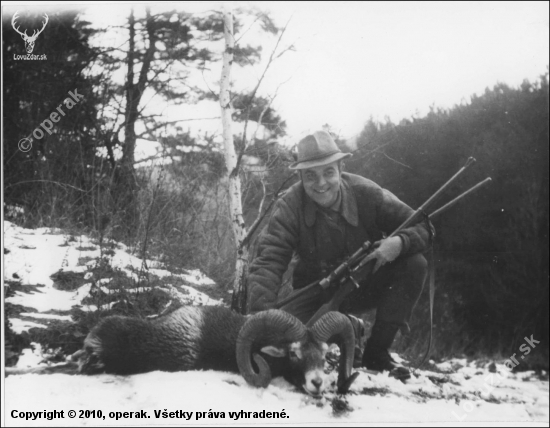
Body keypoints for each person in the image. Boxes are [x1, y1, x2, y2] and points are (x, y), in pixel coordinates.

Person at [247, 130, 432, 378]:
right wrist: (262, 320)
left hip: (365, 284)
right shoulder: (289, 207)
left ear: (341, 167)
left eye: (328, 172)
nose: (321, 183)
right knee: (281, 347)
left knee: (414, 264)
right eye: (310, 175)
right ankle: (348, 326)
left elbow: (424, 226)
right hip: (317, 292)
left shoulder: (368, 193)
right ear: (300, 176)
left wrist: (398, 242)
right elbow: (268, 263)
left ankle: (377, 353)